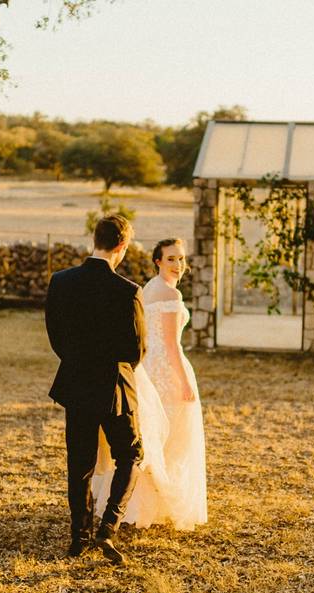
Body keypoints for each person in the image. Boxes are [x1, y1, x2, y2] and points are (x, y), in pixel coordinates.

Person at [44, 214, 146, 565]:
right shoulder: (128, 291)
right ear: (121, 246)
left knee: (80, 465)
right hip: (115, 388)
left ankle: (78, 536)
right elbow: (136, 350)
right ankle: (108, 529)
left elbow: (55, 337)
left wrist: (78, 361)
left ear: (95, 239)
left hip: (76, 384)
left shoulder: (61, 282)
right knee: (130, 455)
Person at [92, 238, 207, 531]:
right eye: (171, 259)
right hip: (167, 370)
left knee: (148, 434)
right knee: (170, 436)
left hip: (145, 366)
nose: (178, 265)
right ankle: (157, 504)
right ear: (158, 261)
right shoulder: (170, 294)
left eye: (181, 259)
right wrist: (184, 381)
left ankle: (135, 503)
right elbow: (171, 344)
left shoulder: (148, 287)